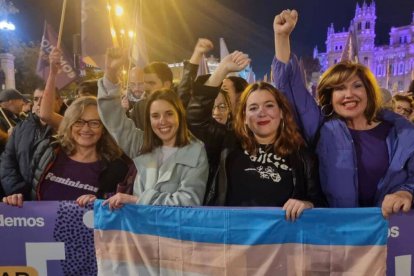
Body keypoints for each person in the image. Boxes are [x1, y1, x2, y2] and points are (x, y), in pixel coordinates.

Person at [272, 9, 414, 217]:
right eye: (339, 88)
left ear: (369, 91)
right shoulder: (322, 127)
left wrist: (406, 192)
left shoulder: (400, 131)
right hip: (338, 234)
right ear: (329, 96)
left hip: (388, 234)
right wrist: (282, 37)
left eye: (357, 86)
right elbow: (291, 91)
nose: (349, 94)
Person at [187, 51, 326, 220]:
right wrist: (221, 71)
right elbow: (195, 118)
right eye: (253, 108)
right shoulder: (227, 142)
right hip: (231, 238)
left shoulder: (303, 156)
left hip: (278, 242)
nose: (261, 113)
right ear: (244, 116)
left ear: (281, 112)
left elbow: (319, 202)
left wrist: (307, 204)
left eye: (269, 105)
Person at [97, 48, 209, 208]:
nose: (162, 121)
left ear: (179, 115)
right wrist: (111, 71)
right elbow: (114, 118)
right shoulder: (140, 143)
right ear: (148, 119)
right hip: (140, 230)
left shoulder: (196, 151)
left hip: (173, 231)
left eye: (169, 114)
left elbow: (189, 201)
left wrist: (138, 200)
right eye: (155, 116)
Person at [2, 96, 130, 206]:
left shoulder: (117, 168)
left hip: (88, 233)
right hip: (39, 232)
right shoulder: (48, 150)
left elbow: (119, 214)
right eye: (78, 122)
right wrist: (17, 198)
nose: (86, 128)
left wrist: (101, 204)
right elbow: (29, 189)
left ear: (104, 128)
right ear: (69, 124)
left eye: (94, 123)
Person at [129, 38, 213, 129]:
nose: (146, 88)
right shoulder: (139, 108)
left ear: (166, 85)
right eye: (144, 82)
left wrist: (197, 53)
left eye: (151, 83)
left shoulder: (178, 104)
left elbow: (185, 85)